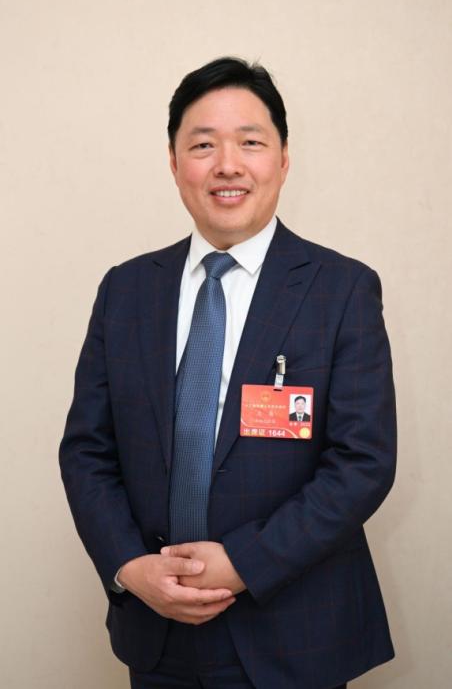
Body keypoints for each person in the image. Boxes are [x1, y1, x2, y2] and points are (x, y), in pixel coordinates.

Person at [59, 57, 397, 689]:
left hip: (295, 633)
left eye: (250, 142)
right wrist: (129, 566)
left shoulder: (342, 289)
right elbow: (87, 451)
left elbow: (363, 463)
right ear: (174, 163)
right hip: (157, 632)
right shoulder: (126, 290)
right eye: (203, 145)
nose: (227, 165)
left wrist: (244, 562)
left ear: (283, 159)